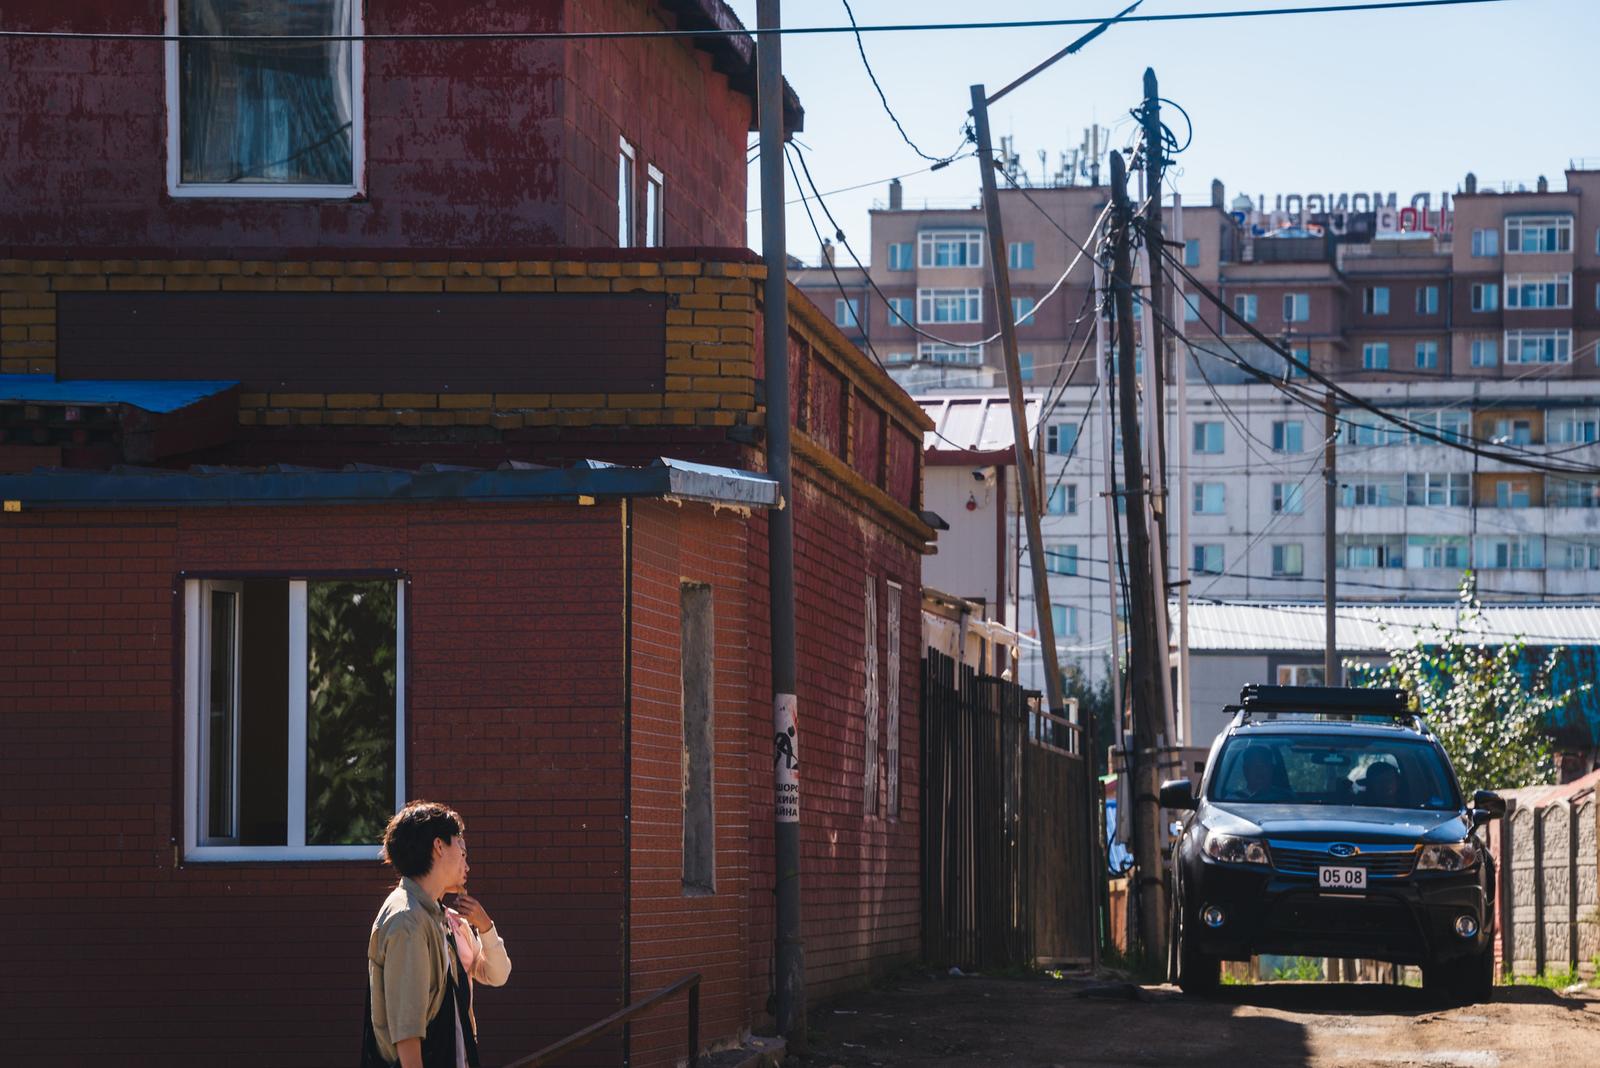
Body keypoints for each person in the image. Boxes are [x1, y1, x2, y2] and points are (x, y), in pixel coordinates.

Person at [364, 801, 512, 1068]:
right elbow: (407, 1032)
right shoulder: (407, 920)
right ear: (439, 846)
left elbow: (497, 973)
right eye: (461, 850)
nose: (466, 862)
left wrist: (485, 926)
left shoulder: (438, 917)